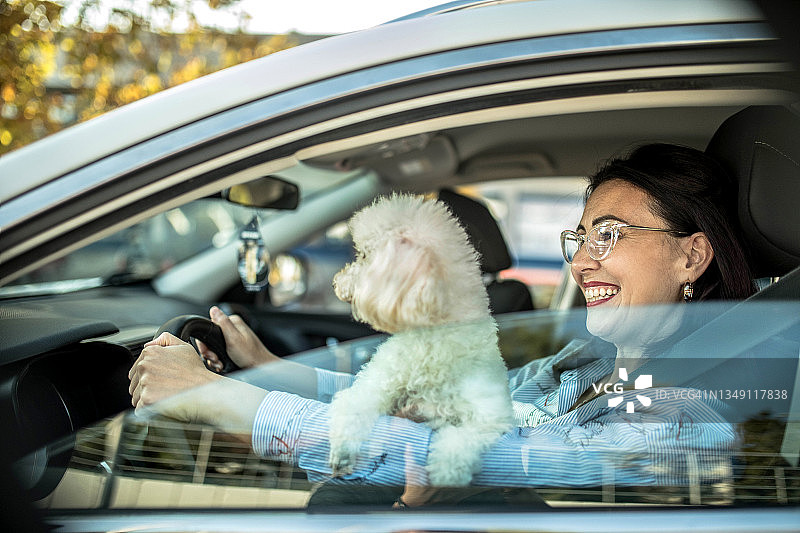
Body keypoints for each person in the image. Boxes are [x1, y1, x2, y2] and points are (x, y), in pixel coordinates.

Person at [128, 143, 756, 507]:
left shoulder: (686, 419)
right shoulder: (582, 366)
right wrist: (268, 369)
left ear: (691, 255)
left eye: (611, 235)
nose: (583, 260)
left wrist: (214, 395)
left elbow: (484, 459)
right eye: (581, 237)